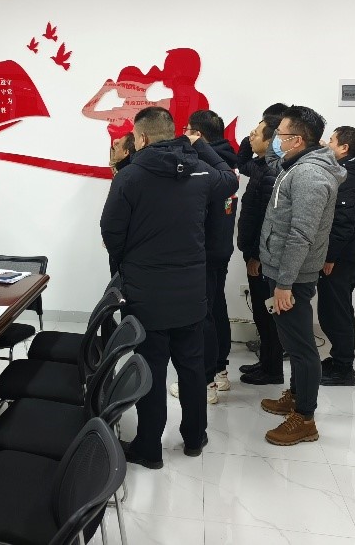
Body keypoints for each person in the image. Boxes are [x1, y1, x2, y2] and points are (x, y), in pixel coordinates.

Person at [101, 106, 238, 469]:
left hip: (146, 290)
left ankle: (149, 447)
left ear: (142, 138)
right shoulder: (200, 171)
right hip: (191, 287)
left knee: (150, 368)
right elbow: (230, 178)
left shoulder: (129, 176)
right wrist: (200, 146)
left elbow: (111, 231)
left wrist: (127, 263)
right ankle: (194, 438)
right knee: (192, 367)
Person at [258, 106, 345, 446]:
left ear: (295, 140)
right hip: (283, 270)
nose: (275, 140)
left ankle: (305, 418)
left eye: (279, 135)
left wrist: (284, 283)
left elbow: (301, 234)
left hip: (291, 276)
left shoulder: (309, 175)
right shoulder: (297, 165)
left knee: (302, 347)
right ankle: (295, 396)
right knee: (293, 344)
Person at [169, 110, 238, 403]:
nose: (183, 135)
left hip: (205, 250)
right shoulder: (226, 158)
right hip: (220, 248)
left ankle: (205, 382)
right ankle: (220, 371)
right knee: (216, 308)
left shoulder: (203, 163)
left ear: (197, 134)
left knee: (203, 316)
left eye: (187, 130)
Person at [318, 126, 355, 386]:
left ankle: (343, 369)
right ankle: (339, 359)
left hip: (342, 258)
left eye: (331, 140)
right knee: (336, 309)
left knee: (336, 312)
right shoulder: (346, 172)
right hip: (343, 254)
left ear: (344, 148)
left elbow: (342, 224)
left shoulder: (348, 179)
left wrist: (329, 257)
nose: (327, 143)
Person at [237, 109, 286, 385]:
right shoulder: (261, 166)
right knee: (260, 312)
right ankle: (266, 362)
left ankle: (272, 370)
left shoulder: (272, 173)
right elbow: (241, 161)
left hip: (263, 257)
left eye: (255, 134)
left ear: (271, 141)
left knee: (267, 315)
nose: (250, 137)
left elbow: (268, 220)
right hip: (256, 253)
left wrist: (255, 255)